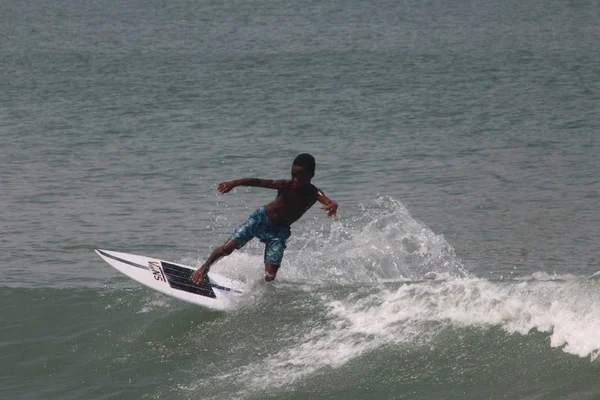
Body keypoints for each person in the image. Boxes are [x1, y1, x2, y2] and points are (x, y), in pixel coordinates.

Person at [190, 153, 338, 283]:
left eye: (300, 177)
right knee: (226, 248)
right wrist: (234, 183)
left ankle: (257, 290)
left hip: (279, 232)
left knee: (270, 276)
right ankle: (204, 269)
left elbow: (329, 201)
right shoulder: (285, 185)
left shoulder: (314, 193)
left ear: (311, 175)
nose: (295, 180)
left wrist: (333, 205)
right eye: (293, 175)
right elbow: (257, 181)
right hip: (260, 219)